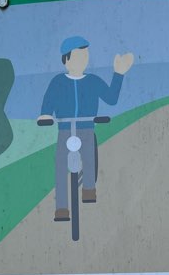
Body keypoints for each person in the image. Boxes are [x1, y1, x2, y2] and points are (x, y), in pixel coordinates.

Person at [39, 36, 134, 222]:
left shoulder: (93, 81)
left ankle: (89, 188)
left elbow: (111, 98)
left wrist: (119, 74)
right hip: (65, 130)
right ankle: (62, 208)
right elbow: (48, 101)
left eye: (85, 56)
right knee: (60, 166)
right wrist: (45, 115)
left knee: (89, 158)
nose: (82, 60)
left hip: (87, 128)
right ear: (66, 60)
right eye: (78, 56)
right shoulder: (58, 82)